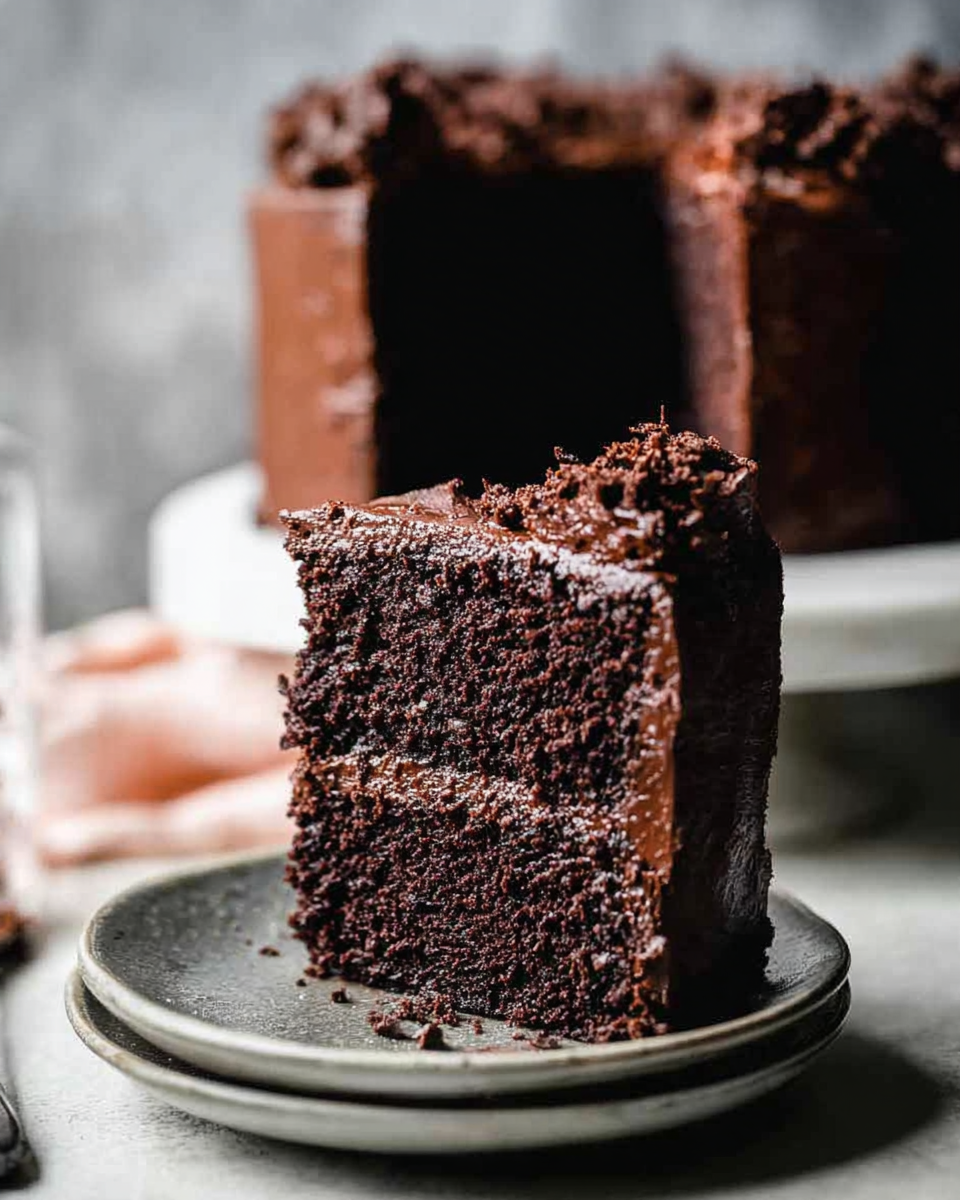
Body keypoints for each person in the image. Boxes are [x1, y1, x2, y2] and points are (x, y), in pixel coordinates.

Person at [39, 610, 295, 864]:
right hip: (272, 740)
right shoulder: (53, 821)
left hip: (243, 654)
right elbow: (198, 827)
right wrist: (165, 834)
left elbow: (156, 634)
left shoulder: (45, 674)